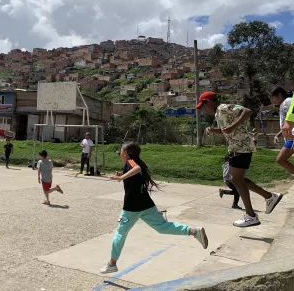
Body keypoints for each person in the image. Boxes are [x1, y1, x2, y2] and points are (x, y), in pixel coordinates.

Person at [100, 142, 208, 274]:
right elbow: (135, 172)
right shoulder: (133, 162)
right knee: (162, 227)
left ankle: (112, 264)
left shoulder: (132, 162)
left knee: (120, 233)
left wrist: (121, 177)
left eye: (120, 152)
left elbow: (137, 169)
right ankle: (194, 231)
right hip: (146, 204)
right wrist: (123, 174)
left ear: (127, 154)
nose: (119, 154)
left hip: (132, 207)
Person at [198, 91, 283, 227]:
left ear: (210, 101)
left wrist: (233, 126)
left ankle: (251, 215)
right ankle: (269, 197)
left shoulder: (223, 107)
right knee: (237, 179)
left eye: (203, 105)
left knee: (235, 179)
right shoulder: (218, 113)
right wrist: (214, 130)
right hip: (236, 148)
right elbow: (227, 130)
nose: (203, 109)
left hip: (241, 147)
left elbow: (247, 111)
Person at [271, 87, 294, 176]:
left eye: (273, 98)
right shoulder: (283, 104)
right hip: (290, 136)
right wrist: (278, 135)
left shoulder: (288, 101)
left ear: (279, 95)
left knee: (281, 159)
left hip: (292, 136)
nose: (272, 100)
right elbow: (287, 123)